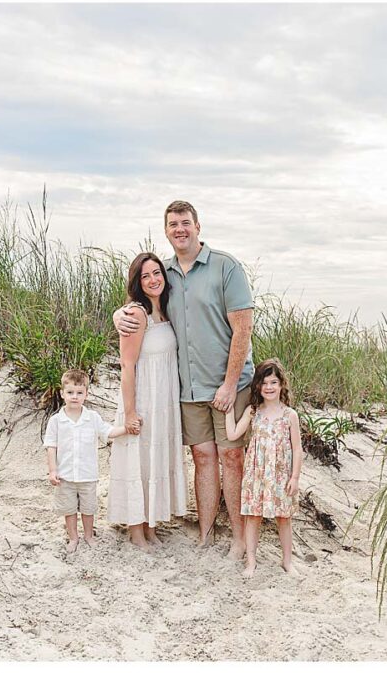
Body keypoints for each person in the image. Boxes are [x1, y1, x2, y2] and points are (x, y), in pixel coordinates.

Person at [114, 201, 254, 560]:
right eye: (173, 224)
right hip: (187, 389)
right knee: (203, 458)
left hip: (228, 386)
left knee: (232, 459)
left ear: (198, 226)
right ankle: (206, 534)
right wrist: (121, 312)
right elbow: (143, 302)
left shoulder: (226, 267)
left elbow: (243, 330)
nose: (180, 229)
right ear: (166, 230)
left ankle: (239, 539)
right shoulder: (167, 273)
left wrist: (229, 382)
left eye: (186, 223)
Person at [107, 252, 189, 551]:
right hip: (142, 397)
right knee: (137, 461)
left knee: (154, 462)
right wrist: (129, 412)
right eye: (145, 276)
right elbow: (127, 366)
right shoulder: (136, 314)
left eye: (157, 273)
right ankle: (136, 531)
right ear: (137, 282)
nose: (153, 279)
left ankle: (151, 526)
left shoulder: (164, 310)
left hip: (163, 399)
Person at [224, 358, 303, 577]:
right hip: (256, 474)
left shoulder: (290, 415)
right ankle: (251, 562)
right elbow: (233, 434)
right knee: (253, 516)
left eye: (273, 382)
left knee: (283, 517)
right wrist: (228, 411)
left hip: (280, 475)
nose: (269, 387)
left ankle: (287, 561)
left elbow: (297, 449)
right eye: (264, 383)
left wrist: (294, 477)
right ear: (258, 385)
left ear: (281, 385)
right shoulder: (253, 411)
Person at [45, 369, 138, 553]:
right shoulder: (56, 421)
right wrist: (53, 470)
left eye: (79, 393)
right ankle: (73, 537)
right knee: (69, 509)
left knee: (88, 508)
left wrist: (126, 428)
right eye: (70, 392)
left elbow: (108, 432)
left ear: (86, 394)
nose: (74, 397)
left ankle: (88, 535)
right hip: (65, 475)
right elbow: (51, 446)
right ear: (62, 393)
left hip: (88, 475)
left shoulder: (92, 418)